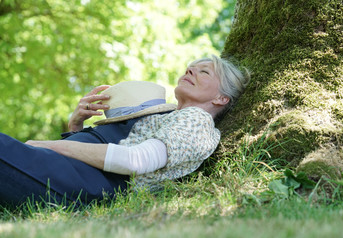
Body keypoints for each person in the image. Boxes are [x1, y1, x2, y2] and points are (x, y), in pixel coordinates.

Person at [0, 55, 250, 207]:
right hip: (70, 175)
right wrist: (76, 127)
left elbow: (134, 160)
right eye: (190, 67)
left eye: (204, 71)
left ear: (221, 98)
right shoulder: (172, 116)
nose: (190, 70)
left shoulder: (197, 121)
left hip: (84, 184)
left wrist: (47, 144)